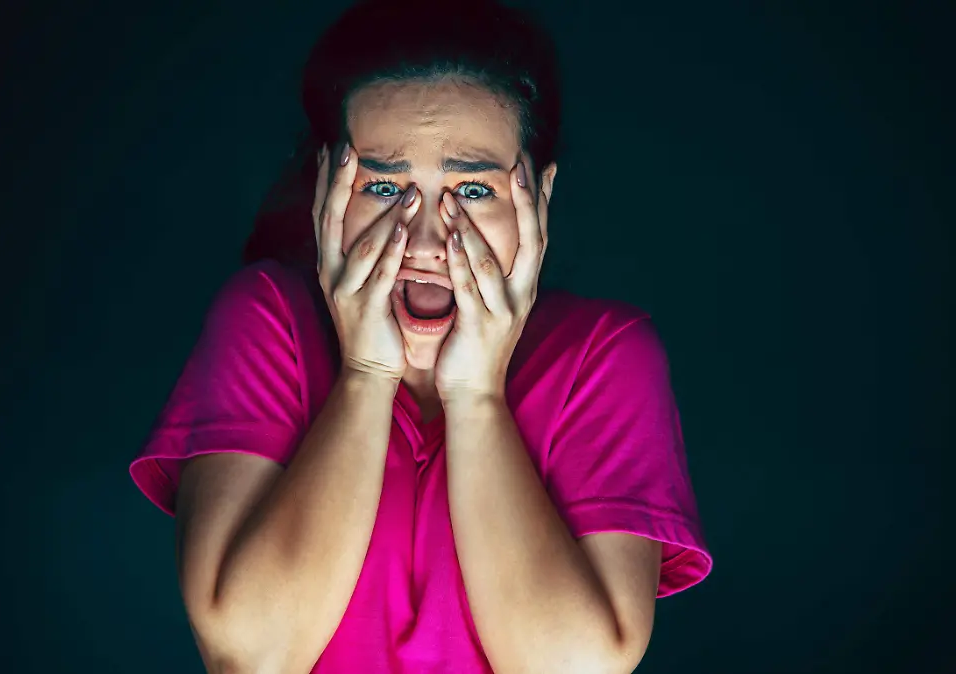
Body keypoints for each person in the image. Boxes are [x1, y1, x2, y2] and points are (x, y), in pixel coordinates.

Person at [129, 1, 712, 671]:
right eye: (383, 184)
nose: (426, 239)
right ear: (327, 190)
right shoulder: (269, 320)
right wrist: (366, 377)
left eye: (472, 191)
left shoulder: (604, 356)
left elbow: (574, 665)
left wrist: (476, 397)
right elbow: (252, 652)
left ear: (539, 198)